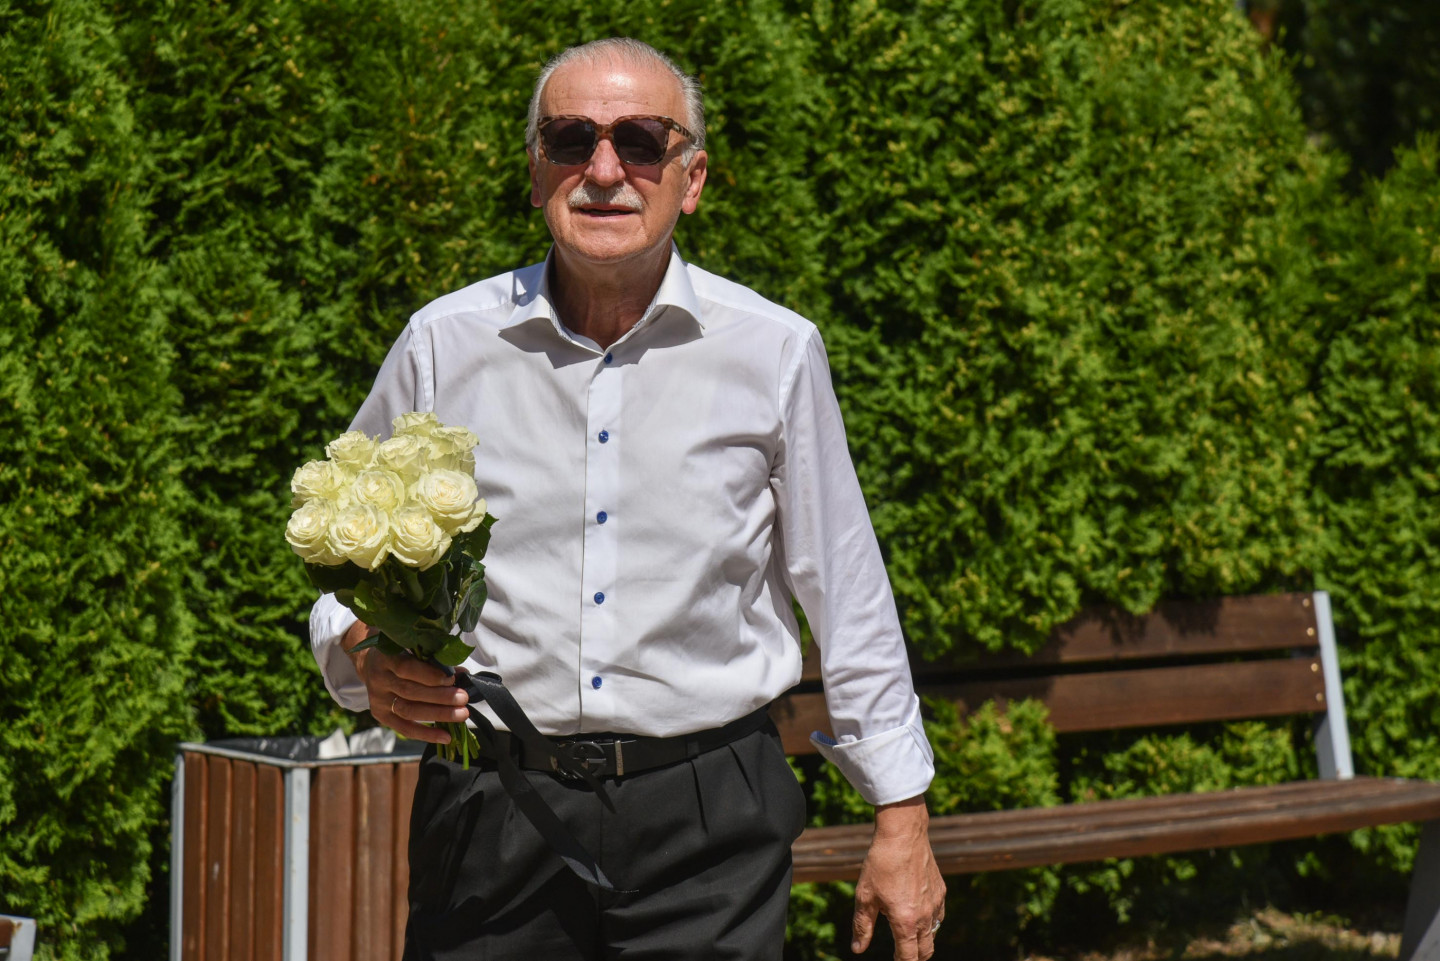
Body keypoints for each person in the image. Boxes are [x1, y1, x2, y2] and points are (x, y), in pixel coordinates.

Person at [309, 37, 944, 961]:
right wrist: (364, 652)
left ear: (692, 179)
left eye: (641, 142)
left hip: (709, 816)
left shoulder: (773, 351)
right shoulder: (443, 344)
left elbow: (846, 589)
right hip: (492, 806)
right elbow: (343, 559)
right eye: (571, 140)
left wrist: (902, 814)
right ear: (537, 172)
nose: (604, 170)